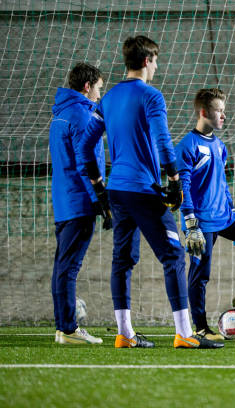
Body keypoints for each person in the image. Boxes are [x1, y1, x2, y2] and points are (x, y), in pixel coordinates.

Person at [79, 36, 223, 349]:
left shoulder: (108, 98)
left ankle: (125, 334)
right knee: (173, 256)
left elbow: (86, 145)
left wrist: (98, 184)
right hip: (143, 191)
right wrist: (173, 178)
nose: (156, 66)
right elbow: (162, 141)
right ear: (147, 61)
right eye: (156, 61)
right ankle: (185, 333)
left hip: (117, 190)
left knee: (123, 260)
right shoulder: (152, 96)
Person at [175, 88, 235, 338]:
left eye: (223, 111)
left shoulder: (219, 146)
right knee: (201, 274)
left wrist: (231, 208)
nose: (224, 115)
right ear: (203, 112)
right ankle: (201, 328)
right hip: (200, 221)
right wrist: (190, 222)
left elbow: (221, 182)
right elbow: (182, 186)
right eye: (219, 110)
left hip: (225, 216)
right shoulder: (187, 146)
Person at [50, 62, 109, 345]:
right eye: (98, 88)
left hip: (63, 201)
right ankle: (68, 329)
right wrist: (100, 200)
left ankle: (64, 326)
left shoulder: (61, 114)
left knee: (62, 265)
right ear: (87, 87)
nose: (99, 94)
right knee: (69, 267)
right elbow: (87, 164)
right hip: (80, 201)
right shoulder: (83, 116)